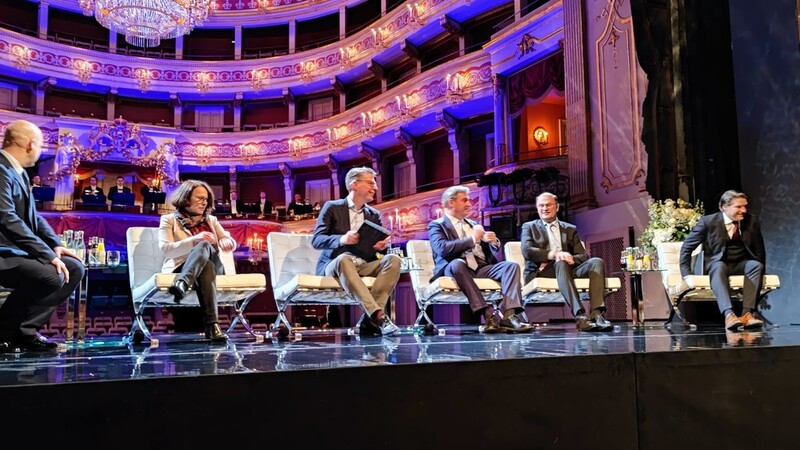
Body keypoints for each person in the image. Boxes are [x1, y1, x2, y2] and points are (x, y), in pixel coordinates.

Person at [0, 120, 85, 352]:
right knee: (50, 275)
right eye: (40, 145)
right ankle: (3, 332)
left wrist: (55, 245)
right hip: (4, 252)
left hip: (19, 251)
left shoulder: (20, 173)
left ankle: (25, 331)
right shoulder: (0, 170)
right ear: (29, 144)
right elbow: (6, 218)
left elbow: (34, 217)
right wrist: (46, 255)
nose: (41, 151)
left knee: (75, 268)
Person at [428, 186, 533, 333]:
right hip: (456, 268)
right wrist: (472, 239)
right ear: (451, 202)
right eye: (464, 200)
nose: (469, 204)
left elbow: (487, 250)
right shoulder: (437, 225)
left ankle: (509, 316)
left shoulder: (473, 224)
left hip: (480, 267)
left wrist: (493, 242)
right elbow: (443, 248)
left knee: (511, 266)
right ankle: (487, 315)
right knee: (458, 264)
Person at [312, 167, 401, 336]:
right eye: (370, 183)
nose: (375, 187)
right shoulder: (332, 207)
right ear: (355, 184)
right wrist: (341, 239)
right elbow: (316, 240)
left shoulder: (374, 214)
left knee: (393, 260)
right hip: (335, 264)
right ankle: (378, 316)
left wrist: (378, 249)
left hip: (363, 264)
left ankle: (368, 320)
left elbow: (376, 254)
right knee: (344, 258)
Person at [520, 192, 613, 332]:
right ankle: (580, 316)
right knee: (561, 262)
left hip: (568, 269)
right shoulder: (530, 226)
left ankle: (597, 314)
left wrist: (569, 257)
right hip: (543, 271)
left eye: (548, 205)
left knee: (596, 262)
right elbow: (527, 251)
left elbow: (583, 256)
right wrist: (554, 255)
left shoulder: (569, 228)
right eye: (541, 205)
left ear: (557, 207)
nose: (544, 208)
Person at [159, 179, 236, 342]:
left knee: (205, 248)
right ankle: (212, 326)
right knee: (204, 263)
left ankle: (183, 283)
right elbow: (166, 249)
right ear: (186, 198)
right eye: (200, 198)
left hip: (216, 267)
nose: (204, 202)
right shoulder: (169, 220)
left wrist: (226, 241)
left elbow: (227, 239)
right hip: (182, 266)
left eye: (206, 199)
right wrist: (194, 240)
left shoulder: (211, 220)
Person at [679, 190, 766, 331]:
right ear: (724, 206)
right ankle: (729, 314)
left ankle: (747, 313)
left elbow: (759, 250)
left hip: (741, 264)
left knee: (755, 265)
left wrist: (762, 270)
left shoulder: (751, 221)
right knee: (718, 266)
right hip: (718, 264)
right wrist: (687, 275)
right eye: (738, 207)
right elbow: (686, 249)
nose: (743, 210)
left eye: (745, 206)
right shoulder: (708, 222)